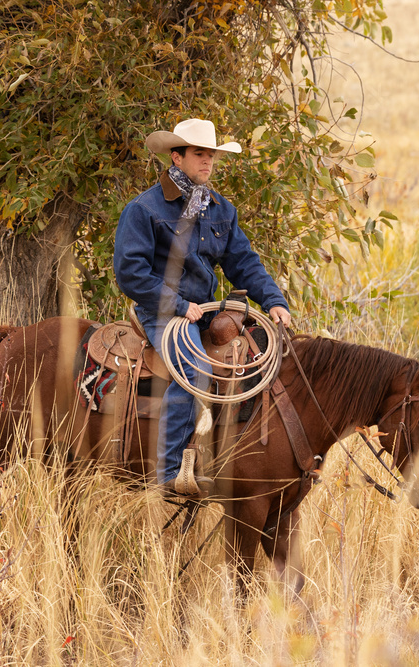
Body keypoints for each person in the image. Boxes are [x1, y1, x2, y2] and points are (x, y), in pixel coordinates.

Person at [113, 118, 292, 497]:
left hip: (206, 310)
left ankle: (230, 457)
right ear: (176, 157)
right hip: (161, 312)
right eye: (199, 153)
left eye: (211, 154)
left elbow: (243, 261)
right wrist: (177, 304)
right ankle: (168, 473)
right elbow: (131, 273)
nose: (207, 161)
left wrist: (274, 301)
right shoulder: (144, 209)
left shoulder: (220, 210)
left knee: (257, 357)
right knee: (192, 372)